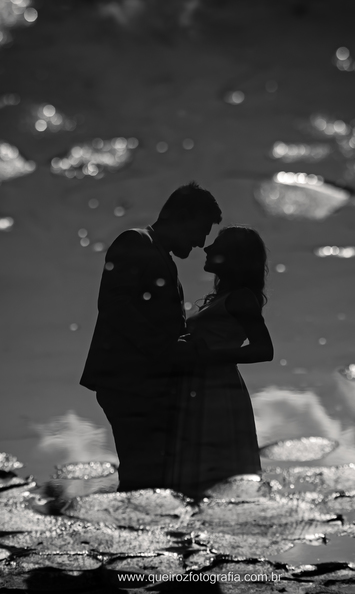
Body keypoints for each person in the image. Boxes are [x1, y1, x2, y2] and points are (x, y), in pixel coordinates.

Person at [80, 182, 222, 491]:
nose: (200, 243)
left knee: (151, 472)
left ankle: (140, 530)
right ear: (182, 217)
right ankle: (132, 532)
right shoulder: (134, 242)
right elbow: (114, 306)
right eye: (200, 230)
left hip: (144, 385)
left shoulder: (161, 258)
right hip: (128, 383)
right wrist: (169, 348)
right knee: (141, 472)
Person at [167, 225, 274, 498]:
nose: (208, 248)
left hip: (217, 391)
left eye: (217, 245)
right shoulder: (226, 298)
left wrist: (210, 356)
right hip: (204, 387)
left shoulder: (240, 299)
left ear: (233, 256)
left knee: (216, 466)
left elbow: (264, 349)